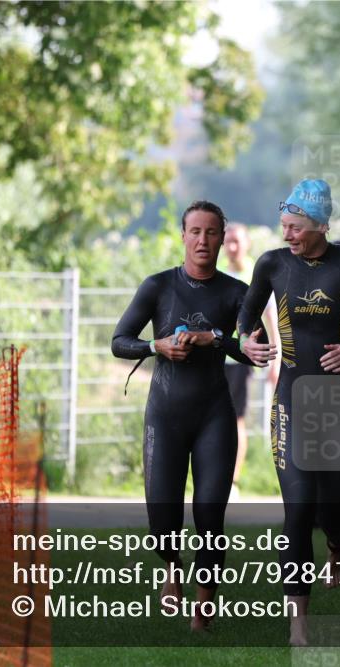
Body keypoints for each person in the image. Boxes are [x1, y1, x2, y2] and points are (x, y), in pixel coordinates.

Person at [238, 179, 340, 646]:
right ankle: (299, 626)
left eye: (296, 228)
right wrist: (249, 340)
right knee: (298, 509)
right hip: (290, 398)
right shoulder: (271, 264)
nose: (288, 234)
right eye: (284, 225)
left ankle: (338, 545)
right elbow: (246, 318)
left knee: (336, 509)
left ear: (321, 226)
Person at [110, 201, 267, 631]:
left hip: (214, 415)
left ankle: (203, 607)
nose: (203, 240)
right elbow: (119, 340)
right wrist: (155, 346)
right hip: (165, 415)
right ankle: (172, 567)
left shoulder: (237, 292)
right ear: (183, 235)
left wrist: (214, 338)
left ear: (221, 238)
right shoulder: (158, 287)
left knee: (210, 515)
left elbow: (259, 349)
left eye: (211, 232)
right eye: (195, 231)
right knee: (162, 520)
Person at [221, 223, 279, 498]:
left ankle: (232, 481)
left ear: (246, 244)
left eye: (236, 241)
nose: (231, 247)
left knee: (235, 420)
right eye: (227, 242)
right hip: (213, 359)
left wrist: (275, 361)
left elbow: (272, 321)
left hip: (240, 363)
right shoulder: (217, 276)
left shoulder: (257, 278)